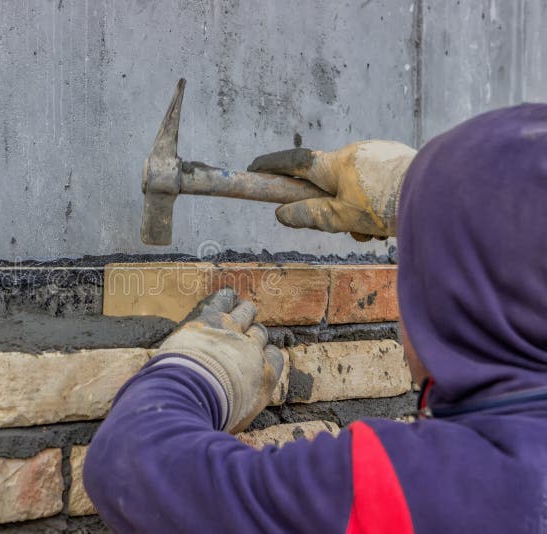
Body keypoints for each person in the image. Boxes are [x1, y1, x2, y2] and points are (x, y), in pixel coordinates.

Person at [84, 104, 547, 533]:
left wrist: (199, 372)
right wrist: (431, 190)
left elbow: (129, 463)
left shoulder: (408, 491)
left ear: (450, 306)